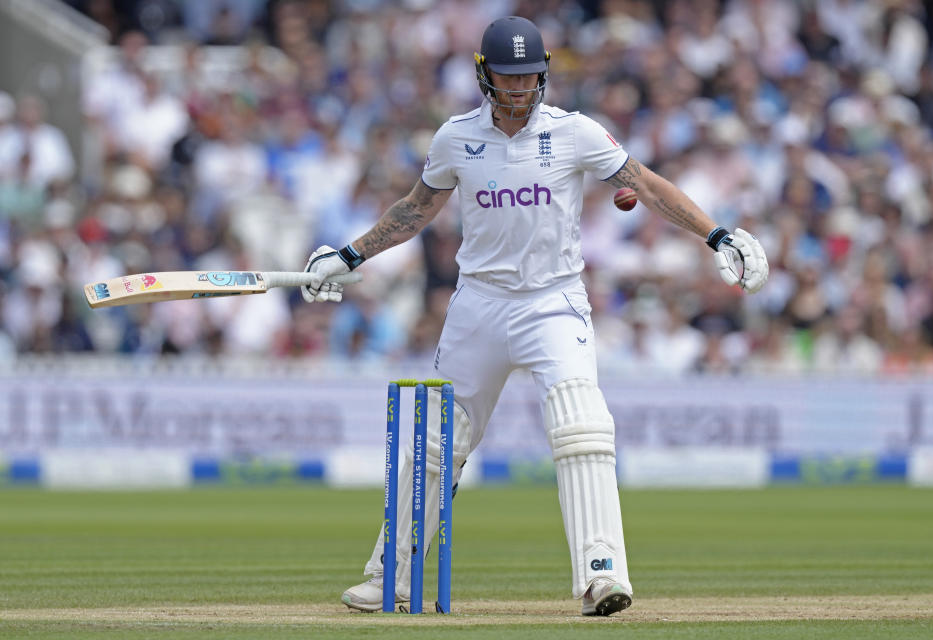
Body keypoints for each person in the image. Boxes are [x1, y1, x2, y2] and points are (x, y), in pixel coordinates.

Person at [301, 16, 769, 617]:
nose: (520, 88)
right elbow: (416, 209)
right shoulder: (456, 138)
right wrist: (349, 255)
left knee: (582, 424)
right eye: (508, 76)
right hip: (479, 302)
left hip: (553, 301)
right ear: (483, 75)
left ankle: (602, 574)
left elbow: (644, 185)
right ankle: (390, 576)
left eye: (530, 76)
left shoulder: (574, 133)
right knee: (438, 440)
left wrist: (717, 235)